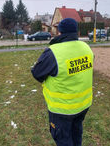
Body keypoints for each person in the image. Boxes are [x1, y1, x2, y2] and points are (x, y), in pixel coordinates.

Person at [31, 18, 94, 146]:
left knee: (63, 140)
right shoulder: (86, 48)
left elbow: (37, 74)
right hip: (83, 105)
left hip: (62, 110)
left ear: (60, 32)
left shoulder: (54, 52)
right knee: (76, 133)